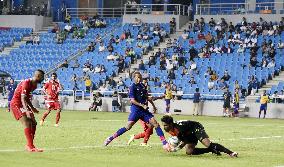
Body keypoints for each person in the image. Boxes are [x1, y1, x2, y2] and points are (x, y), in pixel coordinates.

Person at [104, 71, 171, 151]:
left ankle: (165, 143)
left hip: (144, 111)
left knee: (156, 124)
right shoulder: (132, 87)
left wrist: (159, 98)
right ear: (134, 78)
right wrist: (142, 105)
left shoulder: (143, 86)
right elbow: (132, 100)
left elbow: (147, 97)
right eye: (138, 77)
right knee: (128, 127)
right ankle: (110, 138)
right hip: (136, 110)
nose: (139, 79)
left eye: (140, 77)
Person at [161, 115, 238, 157]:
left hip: (195, 128)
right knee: (189, 152)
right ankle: (211, 150)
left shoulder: (179, 128)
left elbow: (184, 141)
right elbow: (182, 138)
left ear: (171, 124)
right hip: (188, 133)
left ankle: (230, 153)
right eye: (163, 125)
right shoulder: (170, 129)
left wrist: (176, 149)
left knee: (207, 144)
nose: (164, 127)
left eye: (165, 125)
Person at [10, 69, 45, 152]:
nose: (43, 79)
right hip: (16, 104)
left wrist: (32, 108)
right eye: (42, 77)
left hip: (23, 104)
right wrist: (27, 111)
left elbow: (26, 98)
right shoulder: (26, 82)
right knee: (27, 122)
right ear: (38, 76)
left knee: (34, 123)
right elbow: (22, 97)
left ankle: (30, 145)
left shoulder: (34, 85)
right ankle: (30, 146)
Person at [127, 78, 158, 147]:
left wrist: (154, 106)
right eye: (144, 82)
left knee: (150, 131)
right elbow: (133, 100)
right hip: (140, 113)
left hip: (145, 112)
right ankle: (144, 143)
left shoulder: (144, 91)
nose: (145, 84)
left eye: (146, 82)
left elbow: (149, 99)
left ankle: (134, 137)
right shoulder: (138, 91)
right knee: (150, 127)